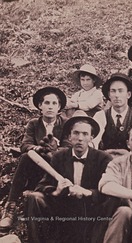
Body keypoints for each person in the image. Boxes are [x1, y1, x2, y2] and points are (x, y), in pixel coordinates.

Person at [26, 110, 112, 243]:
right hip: (64, 210)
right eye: (76, 133)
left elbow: (109, 193)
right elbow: (41, 186)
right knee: (34, 198)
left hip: (90, 213)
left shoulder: (103, 158)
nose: (80, 138)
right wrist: (57, 191)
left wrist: (88, 192)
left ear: (91, 137)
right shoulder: (59, 157)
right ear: (69, 137)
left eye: (85, 134)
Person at [0, 87, 71, 230]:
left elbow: (68, 147)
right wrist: (37, 148)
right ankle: (10, 207)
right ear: (40, 106)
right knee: (26, 156)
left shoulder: (65, 124)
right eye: (47, 103)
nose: (50, 107)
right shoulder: (34, 123)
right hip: (37, 167)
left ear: (59, 107)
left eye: (54, 103)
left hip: (57, 168)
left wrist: (54, 150)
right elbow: (25, 144)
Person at [92, 73, 132, 152]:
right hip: (106, 160)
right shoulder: (100, 116)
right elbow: (93, 142)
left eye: (121, 91)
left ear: (128, 94)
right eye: (113, 91)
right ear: (109, 95)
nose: (117, 95)